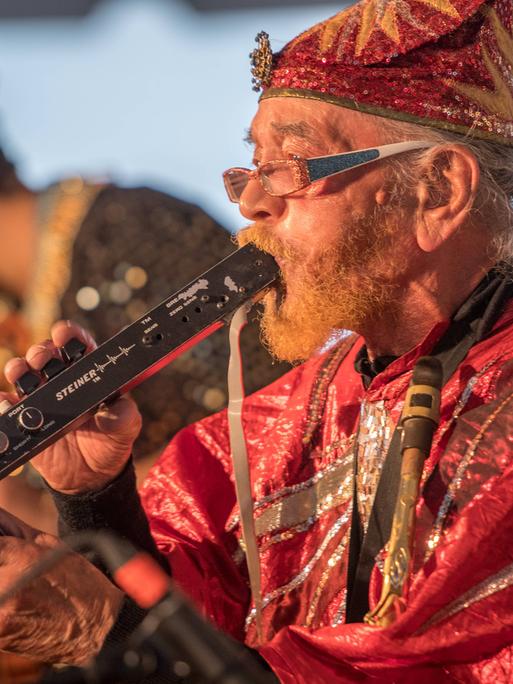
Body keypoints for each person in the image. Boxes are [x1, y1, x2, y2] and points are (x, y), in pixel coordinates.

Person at [1, 0, 513, 681]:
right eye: (252, 167)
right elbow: (201, 620)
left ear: (437, 191)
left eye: (291, 167)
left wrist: (99, 625)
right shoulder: (277, 421)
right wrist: (94, 498)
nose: (250, 205)